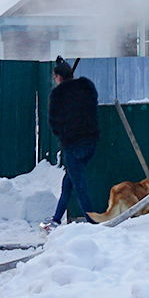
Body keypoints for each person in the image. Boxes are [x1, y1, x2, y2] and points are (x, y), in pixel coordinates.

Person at [44, 57, 100, 229]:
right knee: (69, 181)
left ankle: (92, 223)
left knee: (79, 185)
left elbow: (53, 122)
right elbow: (94, 101)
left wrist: (64, 137)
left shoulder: (57, 94)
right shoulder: (86, 85)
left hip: (73, 145)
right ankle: (56, 218)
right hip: (91, 142)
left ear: (59, 77)